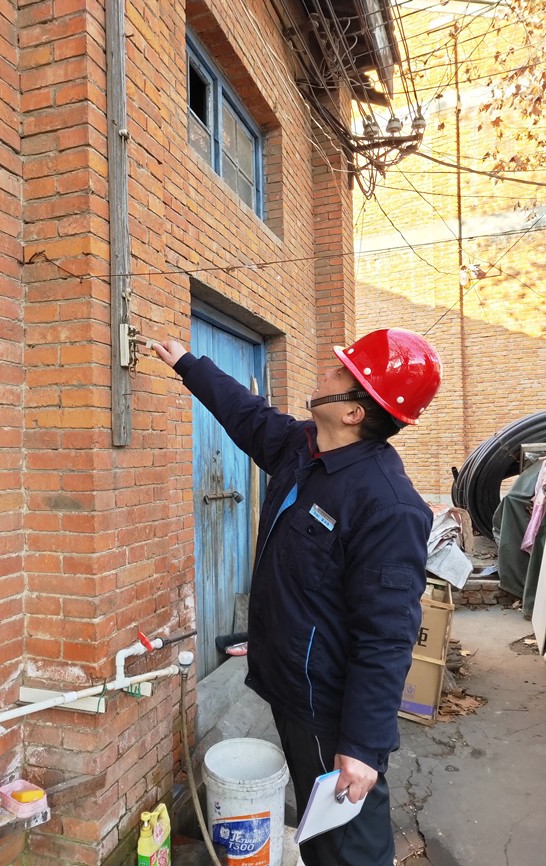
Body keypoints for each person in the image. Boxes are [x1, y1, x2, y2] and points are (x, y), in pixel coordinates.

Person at [154, 328, 442, 866]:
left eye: (340, 373)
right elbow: (249, 417)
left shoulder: (387, 505)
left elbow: (387, 635)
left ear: (353, 411)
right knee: (317, 842)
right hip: (289, 692)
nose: (324, 373)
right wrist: (189, 364)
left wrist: (362, 746)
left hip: (329, 711)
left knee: (349, 852)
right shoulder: (304, 450)